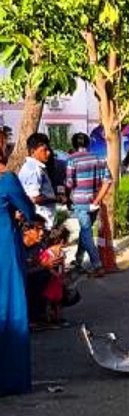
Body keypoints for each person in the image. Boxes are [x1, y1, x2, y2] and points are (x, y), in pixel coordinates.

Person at [0, 128, 36, 395]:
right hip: (6, 250)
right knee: (12, 307)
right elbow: (28, 209)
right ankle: (11, 379)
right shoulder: (7, 179)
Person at [65, 132, 112, 276]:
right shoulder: (99, 158)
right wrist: (98, 199)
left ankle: (97, 266)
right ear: (88, 144)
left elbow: (69, 183)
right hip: (94, 202)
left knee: (86, 233)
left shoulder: (72, 160)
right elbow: (108, 181)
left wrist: (67, 198)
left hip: (80, 202)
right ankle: (78, 260)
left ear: (74, 144)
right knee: (85, 231)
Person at [18, 133, 61, 228]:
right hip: (40, 222)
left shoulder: (38, 167)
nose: (48, 153)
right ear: (33, 151)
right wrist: (57, 199)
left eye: (48, 149)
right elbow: (35, 198)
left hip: (45, 219)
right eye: (44, 150)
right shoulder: (33, 169)